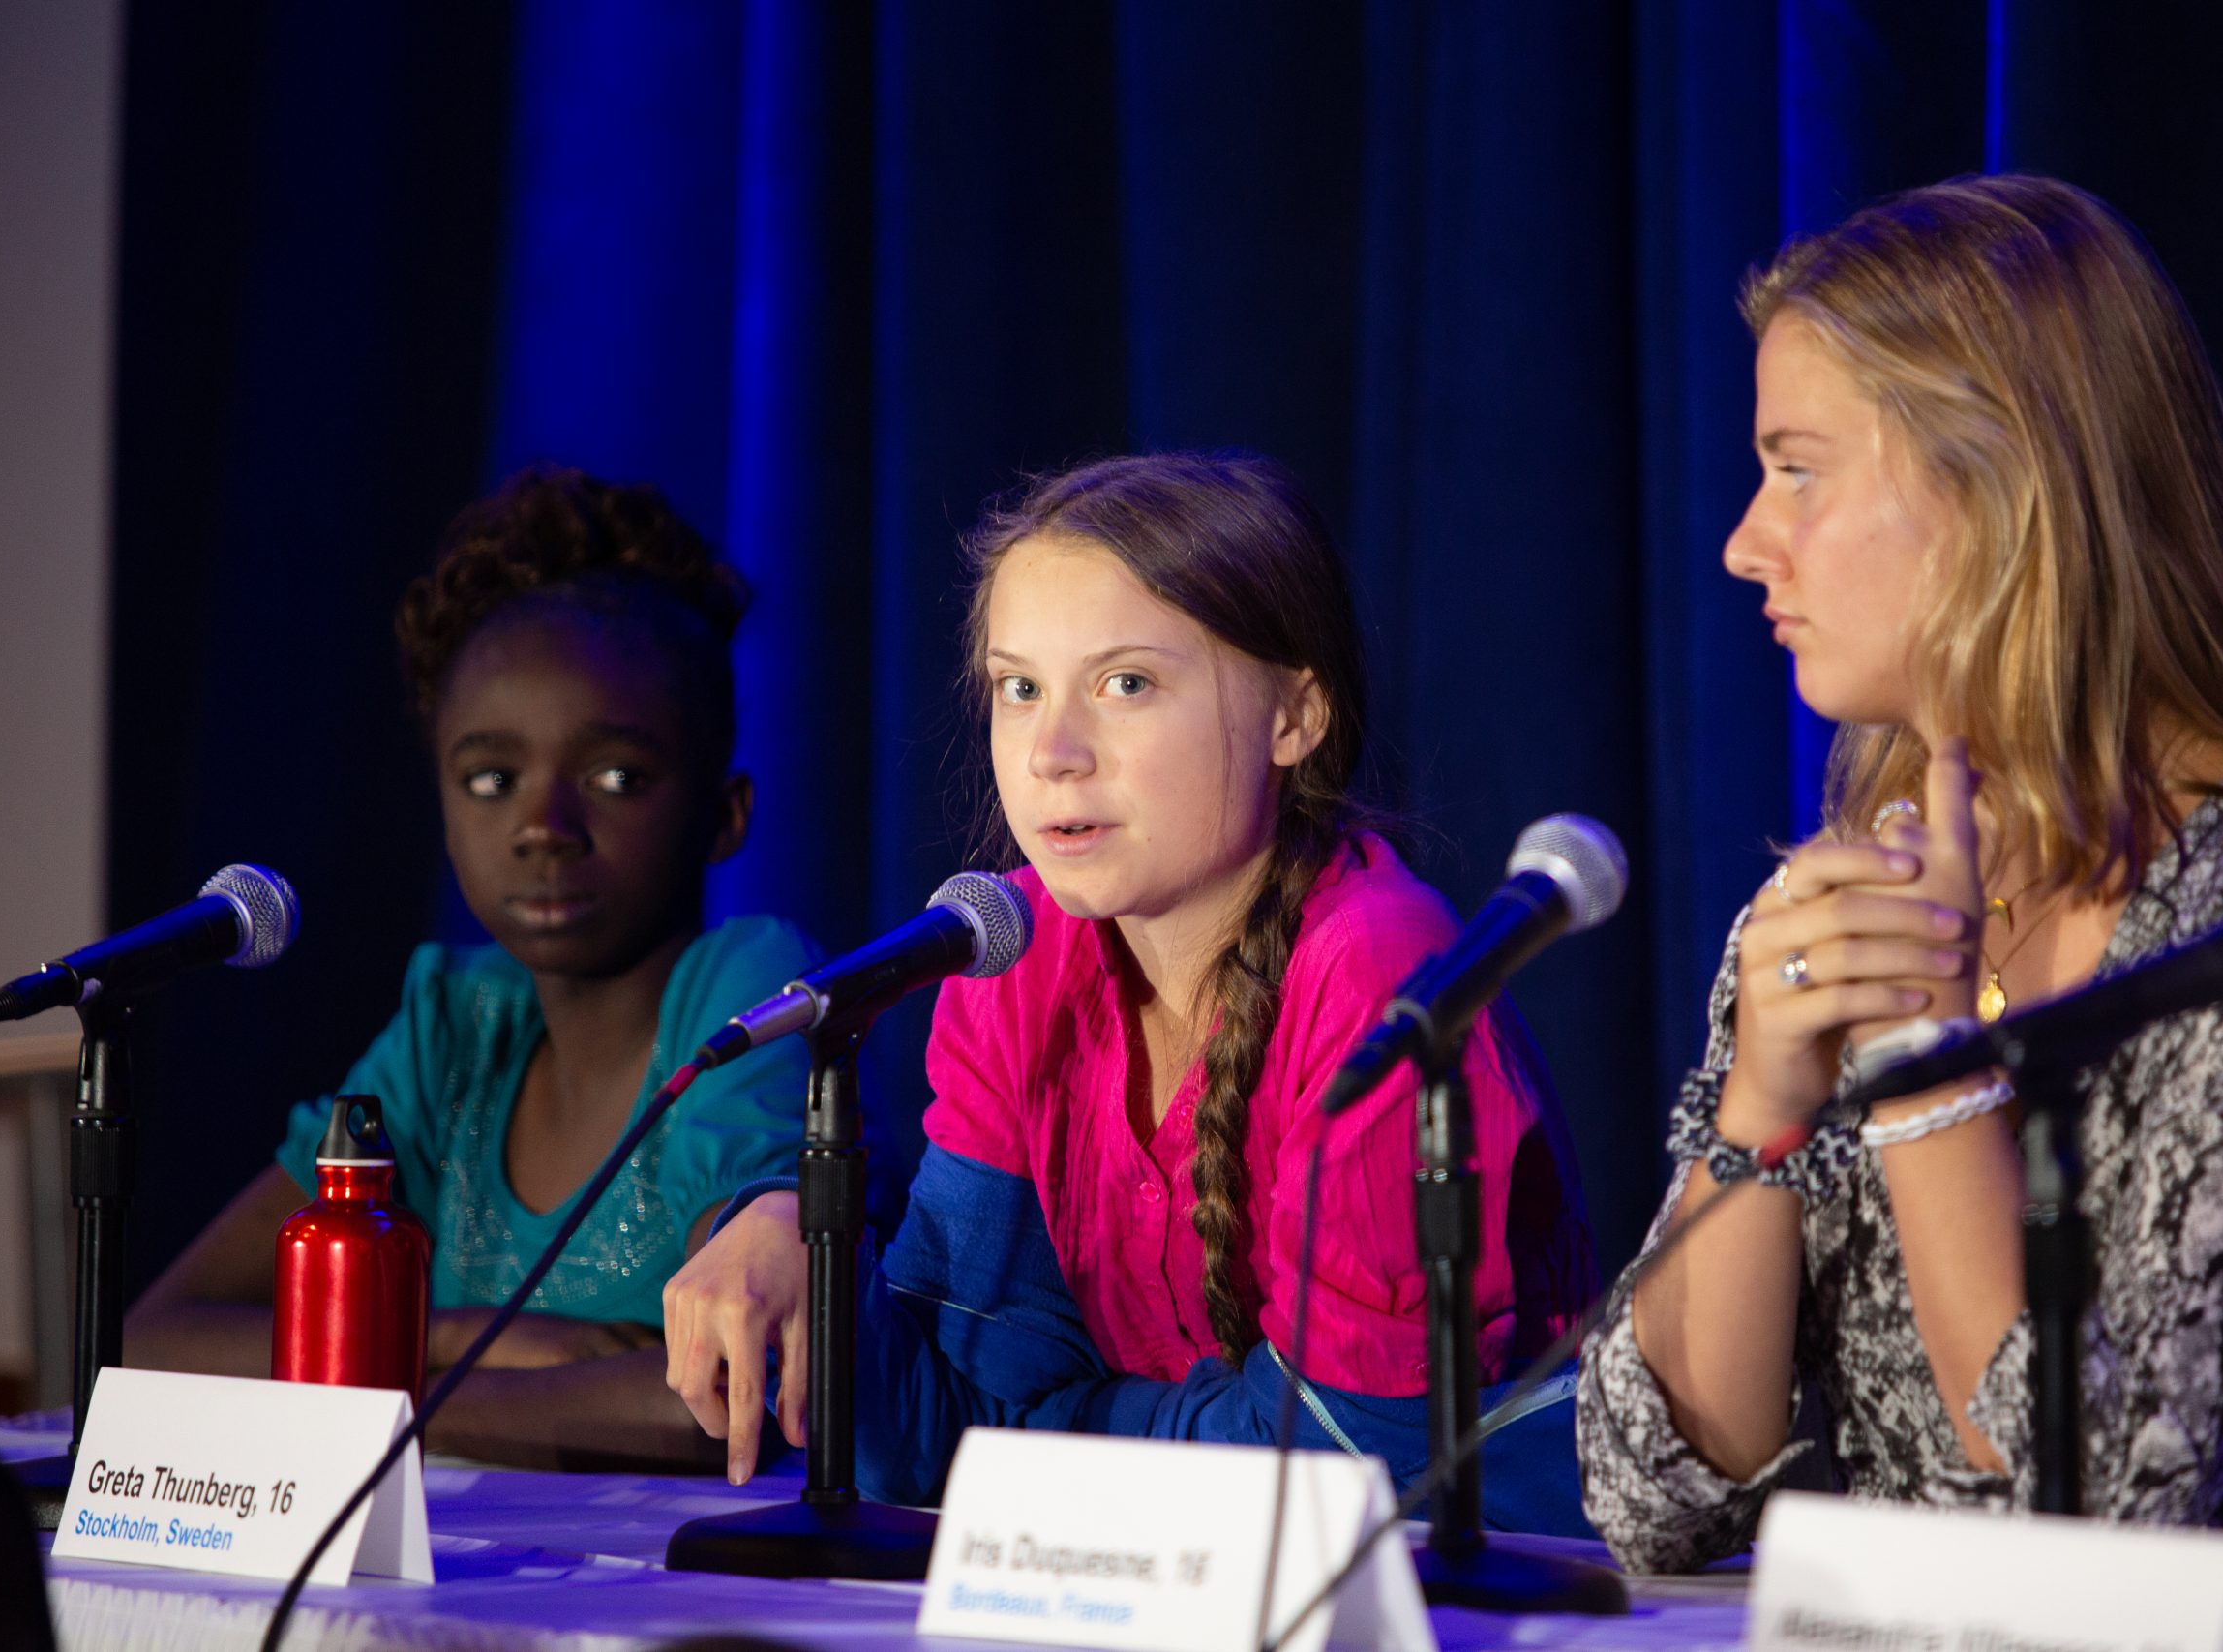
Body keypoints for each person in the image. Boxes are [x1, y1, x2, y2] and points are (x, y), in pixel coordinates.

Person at [1576, 174, 2223, 1575]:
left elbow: (2078, 1507)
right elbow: (1651, 1496)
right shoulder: (1848, 893)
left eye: (1797, 466)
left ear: (2001, 481)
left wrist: (1930, 1065)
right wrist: (1762, 1107)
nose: (1740, 541)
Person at [663, 451, 1595, 1531]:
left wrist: (1061, 1433)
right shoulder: (1006, 960)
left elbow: (1344, 1470)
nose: (1053, 752)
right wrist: (792, 1236)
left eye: (1126, 685)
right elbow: (934, 1439)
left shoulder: (1372, 961)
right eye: (1019, 689)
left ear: (1295, 716)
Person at [127, 466, 821, 1470]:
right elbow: (156, 1343)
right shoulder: (453, 1025)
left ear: (724, 814)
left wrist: (368, 1392)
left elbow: (716, 1399)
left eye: (614, 777)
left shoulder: (749, 986)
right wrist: (451, 1337)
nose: (543, 827)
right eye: (492, 779)